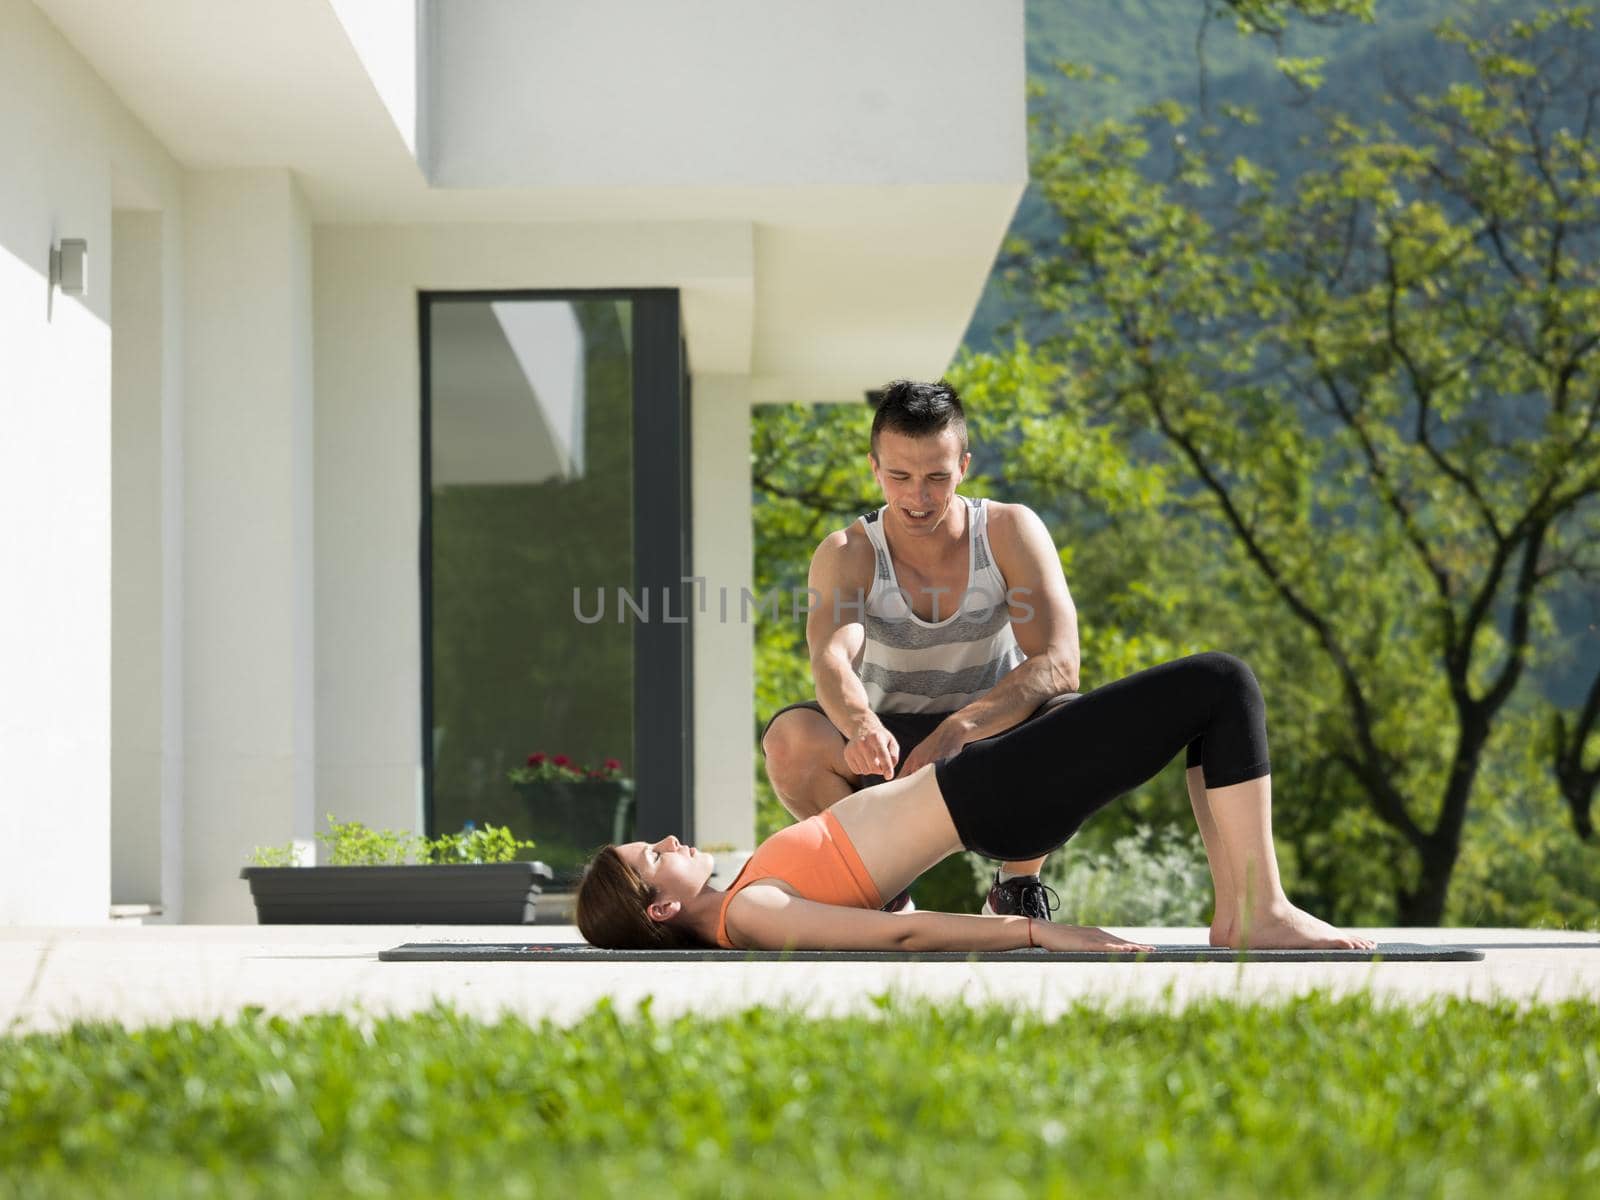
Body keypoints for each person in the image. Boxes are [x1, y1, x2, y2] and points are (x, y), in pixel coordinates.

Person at [577, 652, 1376, 954]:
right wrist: (1034, 931)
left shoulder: (737, 899)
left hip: (986, 783)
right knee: (1221, 684)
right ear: (656, 911)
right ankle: (1257, 910)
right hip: (993, 799)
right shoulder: (750, 916)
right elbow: (900, 934)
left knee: (1207, 702)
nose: (670, 840)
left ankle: (1245, 910)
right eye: (653, 855)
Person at [761, 378, 1080, 922]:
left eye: (936, 477)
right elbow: (831, 658)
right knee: (789, 741)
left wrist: (958, 729)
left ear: (963, 466)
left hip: (990, 737)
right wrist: (860, 724)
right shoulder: (848, 552)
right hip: (887, 746)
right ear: (874, 468)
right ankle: (880, 890)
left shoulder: (1008, 530)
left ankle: (1016, 882)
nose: (918, 497)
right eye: (899, 477)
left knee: (1073, 720)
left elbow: (1058, 662)